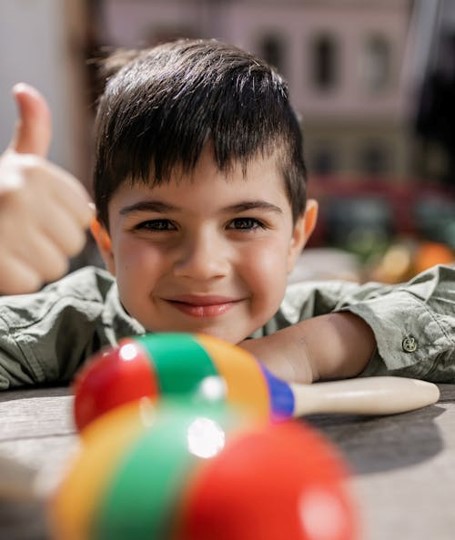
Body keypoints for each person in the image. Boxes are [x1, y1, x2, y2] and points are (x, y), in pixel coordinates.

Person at [0, 39, 454, 390]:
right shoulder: (72, 325)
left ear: (296, 238)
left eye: (244, 223)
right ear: (107, 244)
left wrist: (307, 353)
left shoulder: (313, 316)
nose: (202, 265)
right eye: (157, 224)